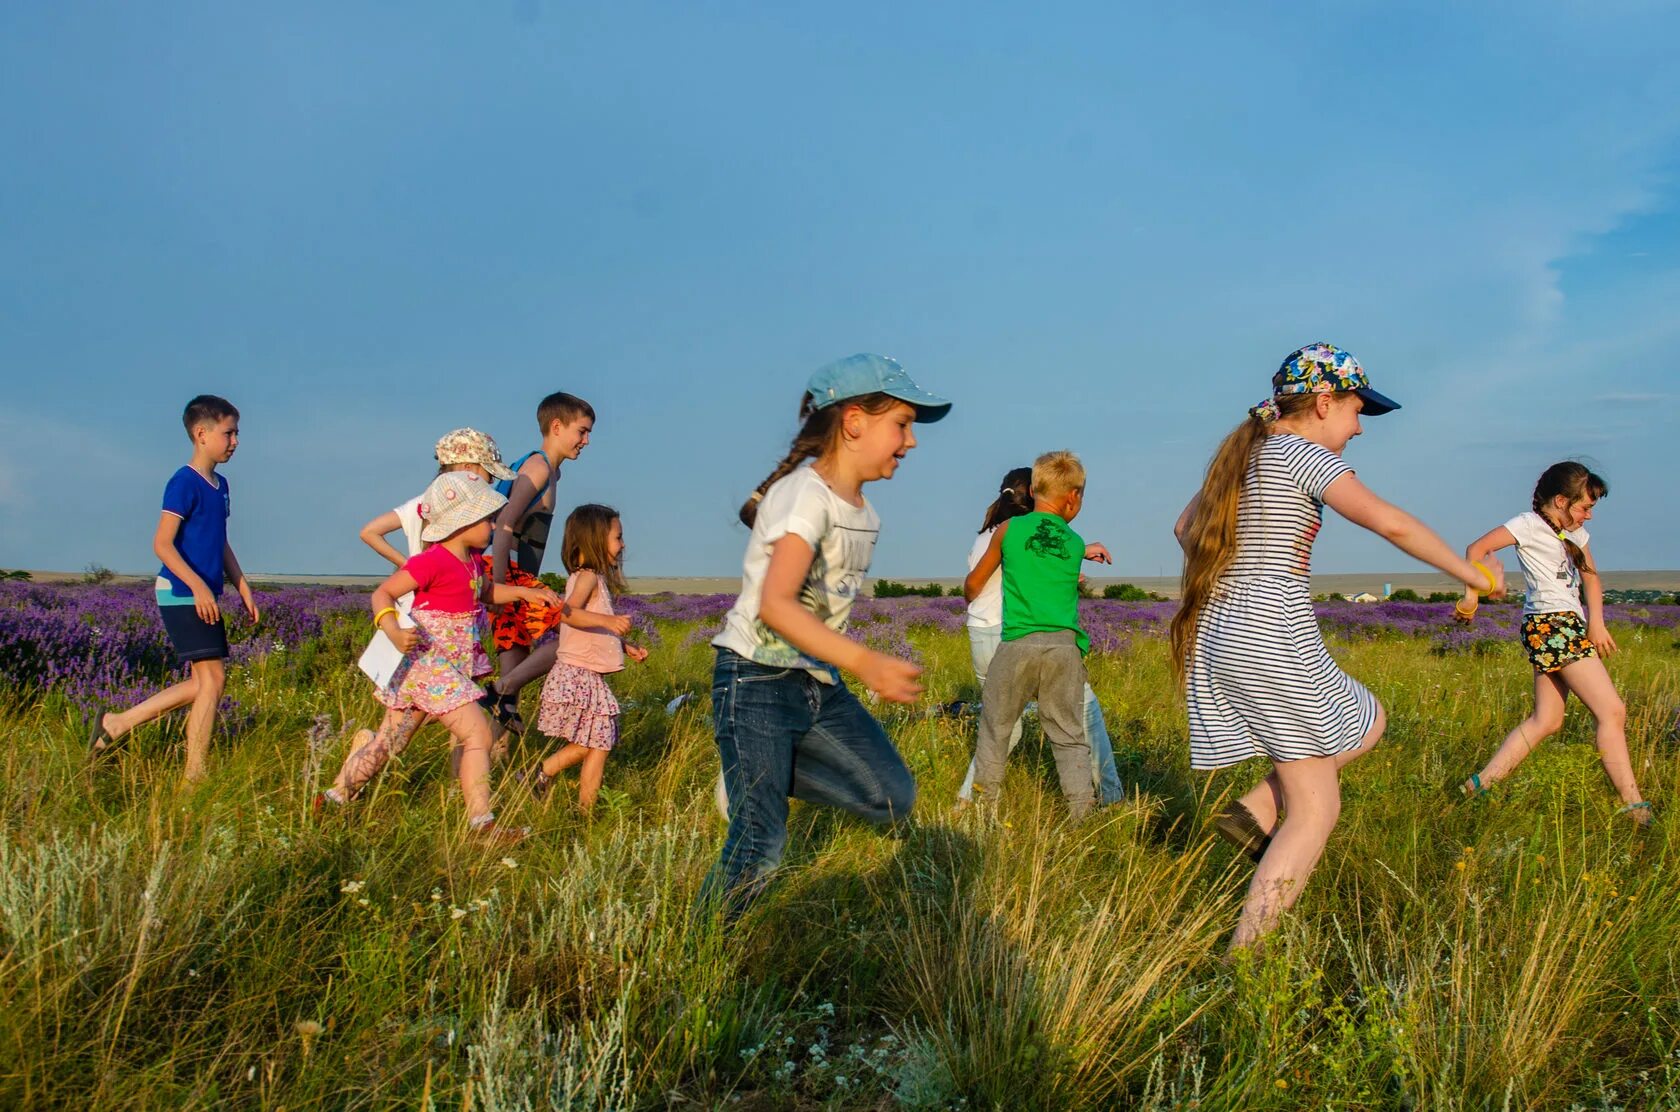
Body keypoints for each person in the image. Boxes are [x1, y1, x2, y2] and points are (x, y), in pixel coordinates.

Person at [1171, 343, 1497, 950]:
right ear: (1324, 404)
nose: (1358, 428)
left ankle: (1251, 814)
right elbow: (1389, 522)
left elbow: (1184, 528)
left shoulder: (1249, 455)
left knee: (1368, 719)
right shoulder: (1302, 453)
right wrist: (1468, 572)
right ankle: (1245, 963)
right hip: (1272, 635)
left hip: (1225, 635)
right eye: (1356, 412)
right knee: (1316, 809)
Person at [699, 353, 949, 920]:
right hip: (755, 678)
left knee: (892, 797)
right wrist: (865, 662)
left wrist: (843, 666)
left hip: (814, 684)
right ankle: (701, 957)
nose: (911, 442)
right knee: (760, 846)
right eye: (902, 424)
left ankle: (750, 767)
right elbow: (776, 604)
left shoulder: (866, 515)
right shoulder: (802, 495)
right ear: (854, 421)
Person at [315, 473, 561, 843]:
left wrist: (525, 595)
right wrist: (394, 632)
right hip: (428, 663)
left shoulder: (473, 562)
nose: (493, 526)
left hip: (442, 668)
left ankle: (332, 800)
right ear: (461, 522)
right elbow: (382, 594)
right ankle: (483, 825)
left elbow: (486, 592)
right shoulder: (431, 562)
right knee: (477, 732)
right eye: (486, 519)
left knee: (389, 742)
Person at [1457, 463, 1650, 824]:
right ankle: (1633, 805)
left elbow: (1591, 580)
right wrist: (1472, 595)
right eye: (1584, 507)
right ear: (1560, 500)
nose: (1588, 516)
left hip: (1564, 625)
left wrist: (1597, 623)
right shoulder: (1528, 525)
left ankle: (1477, 787)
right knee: (1612, 711)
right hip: (1551, 624)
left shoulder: (1575, 535)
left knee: (1546, 720)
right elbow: (1476, 548)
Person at [86, 395, 259, 783]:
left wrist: (243, 586)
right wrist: (199, 587)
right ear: (201, 434)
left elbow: (221, 541)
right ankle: (193, 774)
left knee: (206, 682)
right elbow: (162, 543)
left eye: (236, 433)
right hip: (180, 591)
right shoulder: (183, 482)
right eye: (228, 433)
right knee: (212, 681)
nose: (235, 441)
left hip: (202, 592)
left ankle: (115, 725)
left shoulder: (221, 485)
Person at [954, 466, 1124, 807]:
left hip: (1014, 641)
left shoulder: (1006, 530)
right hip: (1063, 647)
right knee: (1071, 735)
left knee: (996, 730)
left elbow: (973, 586)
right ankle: (1086, 810)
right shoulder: (1073, 542)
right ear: (1073, 498)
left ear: (1034, 491)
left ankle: (977, 808)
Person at [483, 392, 597, 738]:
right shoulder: (538, 468)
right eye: (582, 431)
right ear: (557, 426)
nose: (586, 441)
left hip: (512, 572)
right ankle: (496, 691)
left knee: (512, 681)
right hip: (504, 570)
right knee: (574, 631)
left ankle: (484, 766)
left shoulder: (550, 472)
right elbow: (503, 525)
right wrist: (499, 589)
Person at [523, 505, 643, 812]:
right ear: (595, 539)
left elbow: (593, 620)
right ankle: (543, 773)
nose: (623, 544)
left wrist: (624, 643)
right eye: (618, 537)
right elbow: (569, 612)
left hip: (585, 674)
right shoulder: (587, 576)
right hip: (577, 674)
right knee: (594, 742)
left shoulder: (593, 578)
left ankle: (584, 810)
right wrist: (609, 623)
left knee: (599, 744)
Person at [356, 428, 517, 569]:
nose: (491, 481)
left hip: (416, 598)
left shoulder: (420, 501)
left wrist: (408, 567)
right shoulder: (473, 509)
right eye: (489, 474)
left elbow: (370, 532)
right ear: (467, 469)